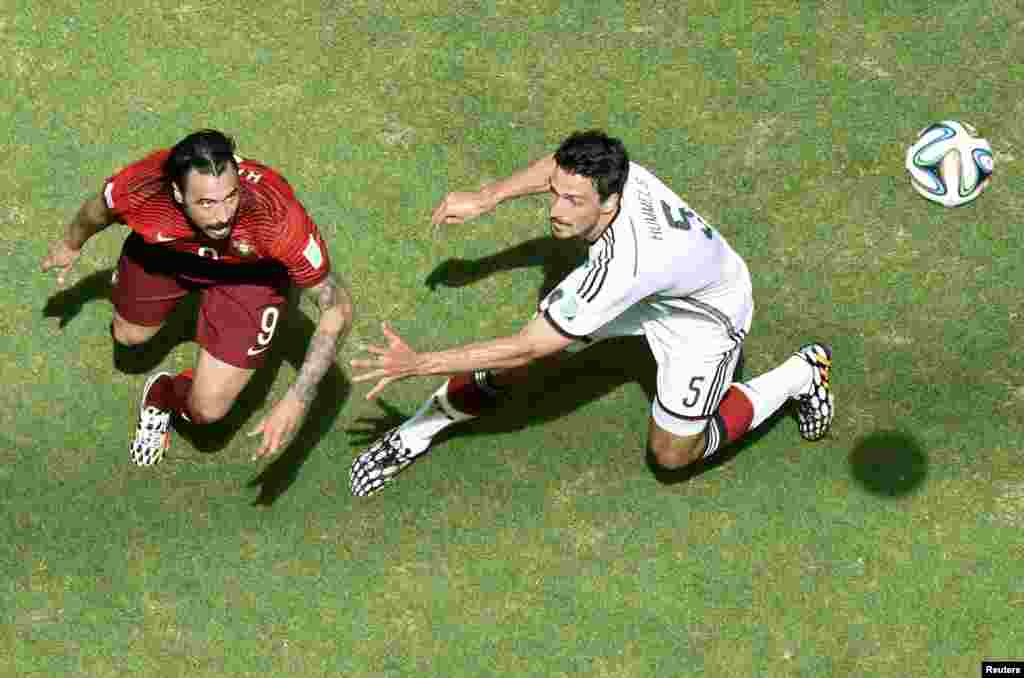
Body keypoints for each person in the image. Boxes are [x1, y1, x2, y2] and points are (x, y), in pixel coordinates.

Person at [348, 130, 832, 497]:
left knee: (672, 454)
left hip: (703, 316)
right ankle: (417, 431)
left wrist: (418, 364)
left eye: (573, 202)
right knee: (516, 364)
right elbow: (559, 168)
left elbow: (528, 346)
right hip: (666, 283)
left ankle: (798, 376)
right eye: (557, 194)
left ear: (610, 202)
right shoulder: (614, 171)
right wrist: (488, 196)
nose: (555, 210)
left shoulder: (625, 267)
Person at [40, 130, 354, 465]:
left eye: (230, 197)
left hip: (249, 275)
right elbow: (97, 211)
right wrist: (71, 244)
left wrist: (297, 398)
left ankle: (164, 393)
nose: (222, 216)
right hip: (168, 255)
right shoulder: (144, 187)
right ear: (177, 192)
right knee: (128, 337)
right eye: (205, 203)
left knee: (207, 411)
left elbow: (337, 305)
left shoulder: (275, 217)